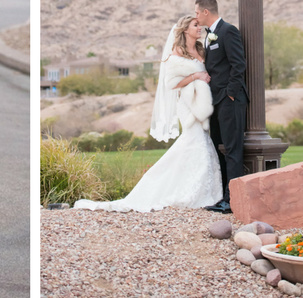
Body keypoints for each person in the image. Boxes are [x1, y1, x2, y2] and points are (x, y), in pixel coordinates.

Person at [73, 15, 221, 212]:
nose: (199, 28)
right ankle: (189, 192)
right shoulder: (177, 52)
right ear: (185, 30)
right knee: (196, 141)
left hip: (201, 103)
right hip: (187, 105)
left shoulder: (202, 49)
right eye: (195, 25)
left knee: (201, 140)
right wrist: (196, 76)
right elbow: (171, 84)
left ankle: (202, 189)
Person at [195, 0, 247, 214]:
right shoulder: (209, 37)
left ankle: (232, 200)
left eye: (197, 13)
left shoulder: (228, 31)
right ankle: (223, 196)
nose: (196, 17)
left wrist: (231, 94)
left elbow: (239, 64)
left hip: (229, 101)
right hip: (214, 102)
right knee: (219, 148)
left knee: (233, 149)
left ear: (206, 12)